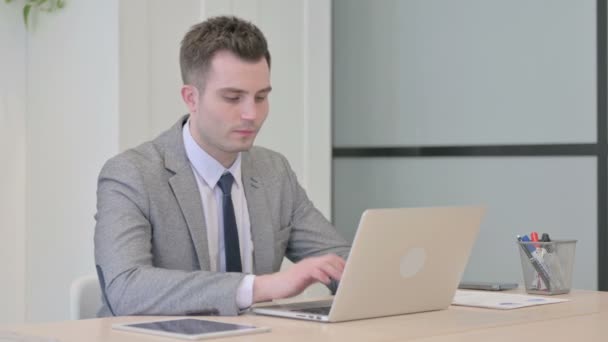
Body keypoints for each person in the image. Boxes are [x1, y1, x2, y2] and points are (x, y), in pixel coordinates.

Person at [94, 15, 350, 317]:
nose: (251, 114)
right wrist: (259, 287)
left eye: (261, 97)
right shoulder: (131, 175)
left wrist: (367, 277)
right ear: (191, 98)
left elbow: (341, 262)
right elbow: (126, 288)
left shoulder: (274, 172)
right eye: (233, 97)